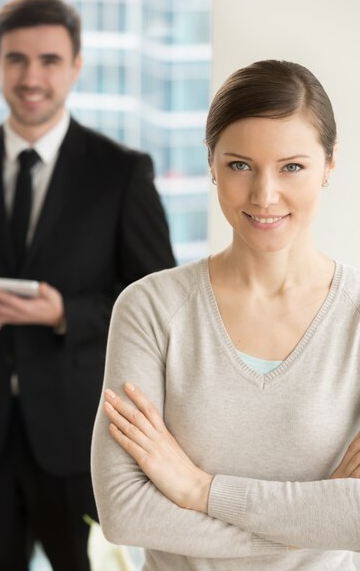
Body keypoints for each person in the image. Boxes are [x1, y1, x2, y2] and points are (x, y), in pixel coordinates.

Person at [92, 59, 360, 571]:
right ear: (211, 163)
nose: (264, 195)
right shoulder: (150, 309)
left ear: (329, 164)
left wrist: (200, 489)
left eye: (292, 166)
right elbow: (125, 512)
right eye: (240, 165)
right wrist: (309, 525)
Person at [0, 0, 175, 571]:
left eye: (49, 60)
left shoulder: (121, 172)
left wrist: (65, 312)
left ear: (75, 66)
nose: (31, 76)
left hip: (81, 440)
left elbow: (159, 302)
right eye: (16, 59)